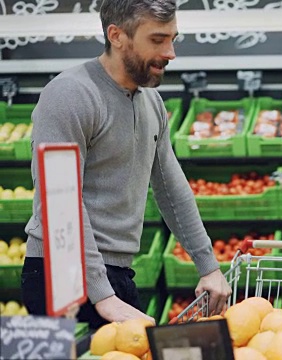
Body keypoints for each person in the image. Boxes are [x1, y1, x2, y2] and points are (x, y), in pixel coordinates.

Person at [21, 0, 231, 329]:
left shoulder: (150, 101)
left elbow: (172, 190)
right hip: (60, 273)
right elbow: (58, 200)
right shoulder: (69, 95)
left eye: (174, 39)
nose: (171, 53)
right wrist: (101, 296)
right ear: (117, 36)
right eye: (157, 40)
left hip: (116, 273)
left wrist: (209, 266)